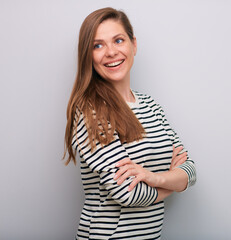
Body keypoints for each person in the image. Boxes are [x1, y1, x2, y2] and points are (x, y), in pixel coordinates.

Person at [63, 7, 196, 240]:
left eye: (118, 40)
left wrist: (154, 177)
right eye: (98, 45)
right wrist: (173, 181)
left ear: (133, 44)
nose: (111, 52)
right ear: (88, 55)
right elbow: (127, 194)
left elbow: (191, 171)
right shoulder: (90, 112)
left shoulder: (150, 105)